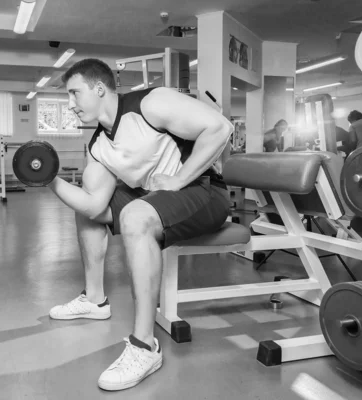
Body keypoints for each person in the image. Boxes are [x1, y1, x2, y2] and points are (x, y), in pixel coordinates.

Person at [46, 59, 233, 391]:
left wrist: (177, 180)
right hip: (156, 196)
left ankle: (145, 346)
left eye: (75, 94)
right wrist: (50, 179)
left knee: (135, 215)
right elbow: (93, 205)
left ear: (99, 88)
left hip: (204, 190)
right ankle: (94, 299)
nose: (70, 105)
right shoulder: (98, 146)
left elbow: (219, 127)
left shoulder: (150, 103)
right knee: (89, 211)